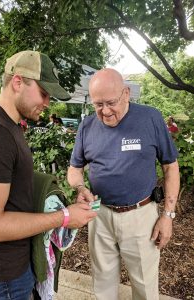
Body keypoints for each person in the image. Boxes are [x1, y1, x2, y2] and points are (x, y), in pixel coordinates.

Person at [0, 50, 97, 300]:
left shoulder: (8, 125)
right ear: (18, 81)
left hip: (9, 269)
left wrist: (59, 198)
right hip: (0, 277)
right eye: (43, 93)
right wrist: (63, 217)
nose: (48, 103)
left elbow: (10, 184)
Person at [67, 68, 180, 300]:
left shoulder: (150, 118)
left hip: (141, 216)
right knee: (102, 286)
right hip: (99, 214)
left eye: (111, 102)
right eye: (98, 105)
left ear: (126, 94)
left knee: (145, 288)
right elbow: (74, 169)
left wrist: (168, 216)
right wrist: (80, 188)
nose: (105, 111)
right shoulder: (87, 126)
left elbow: (171, 166)